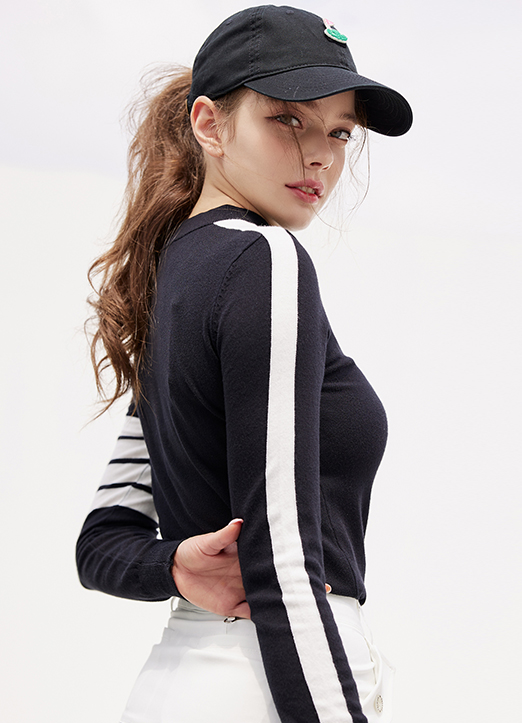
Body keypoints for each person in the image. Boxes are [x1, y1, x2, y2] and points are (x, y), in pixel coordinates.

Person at [76, 6, 412, 723]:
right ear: (210, 124)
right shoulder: (266, 259)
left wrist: (174, 566)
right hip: (270, 684)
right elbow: (283, 551)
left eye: (340, 132)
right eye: (288, 119)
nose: (320, 156)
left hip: (183, 682)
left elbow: (103, 541)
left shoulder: (167, 284)